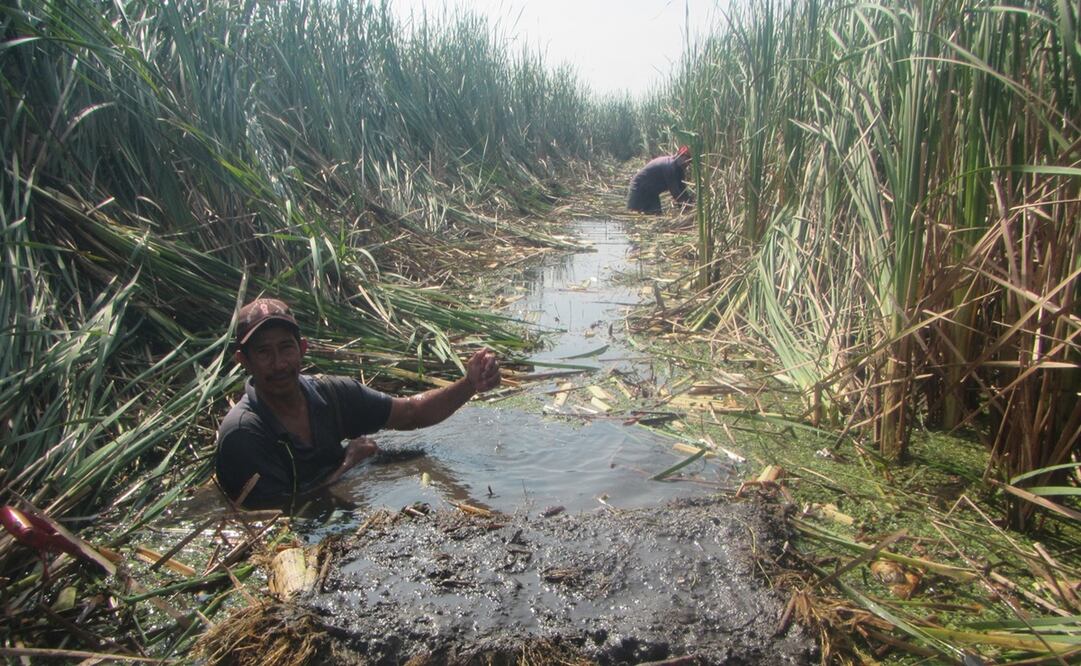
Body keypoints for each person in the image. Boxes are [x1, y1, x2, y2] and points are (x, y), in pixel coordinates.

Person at [215, 297, 501, 507]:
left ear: (302, 349)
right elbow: (277, 513)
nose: (279, 364)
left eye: (286, 348)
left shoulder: (332, 394)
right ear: (244, 361)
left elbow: (412, 413)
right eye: (264, 352)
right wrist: (347, 467)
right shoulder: (243, 434)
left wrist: (469, 385)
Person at [626, 145, 695, 214]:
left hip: (651, 192)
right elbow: (675, 192)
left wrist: (689, 202)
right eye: (687, 160)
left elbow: (682, 189)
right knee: (634, 216)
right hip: (639, 188)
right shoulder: (669, 166)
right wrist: (686, 208)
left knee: (656, 214)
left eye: (690, 161)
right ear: (680, 156)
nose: (687, 164)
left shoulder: (679, 169)